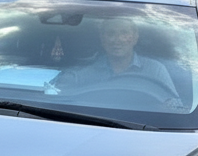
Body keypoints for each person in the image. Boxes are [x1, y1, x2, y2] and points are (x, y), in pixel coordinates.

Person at [52, 16, 180, 104]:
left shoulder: (155, 69)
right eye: (110, 33)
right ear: (102, 39)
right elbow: (58, 101)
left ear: (135, 37)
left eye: (124, 33)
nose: (117, 40)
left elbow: (174, 106)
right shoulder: (82, 73)